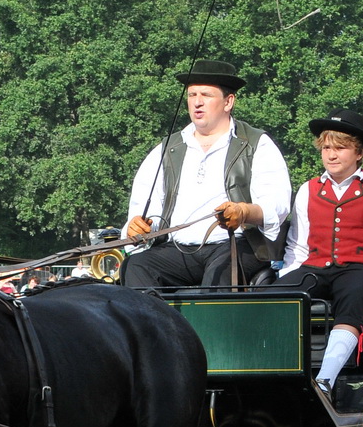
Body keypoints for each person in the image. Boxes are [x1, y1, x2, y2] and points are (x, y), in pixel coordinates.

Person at [122, 60, 292, 288]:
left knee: (218, 276)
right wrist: (139, 226)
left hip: (235, 245)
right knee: (136, 266)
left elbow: (277, 204)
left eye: (206, 95)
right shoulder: (166, 149)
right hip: (178, 250)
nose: (197, 103)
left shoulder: (256, 143)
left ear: (228, 101)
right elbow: (145, 206)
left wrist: (244, 212)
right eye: (192, 95)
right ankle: (153, 324)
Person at [277, 109, 363, 400]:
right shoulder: (308, 190)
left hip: (360, 267)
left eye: (340, 148)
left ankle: (324, 379)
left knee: (353, 297)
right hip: (316, 266)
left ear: (359, 152)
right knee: (276, 297)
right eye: (326, 148)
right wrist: (288, 277)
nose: (331, 155)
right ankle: (277, 374)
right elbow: (297, 245)